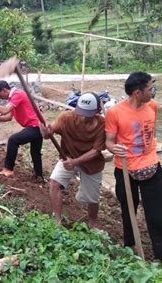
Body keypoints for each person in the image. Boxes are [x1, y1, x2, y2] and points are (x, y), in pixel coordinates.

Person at [105, 71, 162, 262]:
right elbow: (108, 142)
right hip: (125, 170)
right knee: (128, 211)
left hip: (151, 168)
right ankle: (129, 248)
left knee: (158, 214)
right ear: (137, 92)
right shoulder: (115, 112)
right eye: (150, 88)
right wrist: (115, 148)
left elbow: (152, 133)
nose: (153, 91)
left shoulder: (152, 105)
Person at [41, 93, 106, 228]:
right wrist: (46, 133)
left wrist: (75, 162)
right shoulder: (66, 118)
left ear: (97, 112)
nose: (82, 116)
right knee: (54, 183)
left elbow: (96, 151)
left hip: (91, 163)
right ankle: (57, 221)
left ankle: (92, 223)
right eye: (81, 112)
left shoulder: (102, 125)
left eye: (87, 114)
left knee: (92, 197)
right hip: (68, 157)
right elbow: (49, 133)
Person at [0, 80, 46, 182]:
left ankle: (8, 169)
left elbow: (4, 111)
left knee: (13, 140)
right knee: (35, 152)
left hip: (36, 126)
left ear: (4, 90)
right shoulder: (13, 98)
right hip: (37, 126)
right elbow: (8, 117)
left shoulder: (17, 94)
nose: (0, 97)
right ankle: (39, 176)